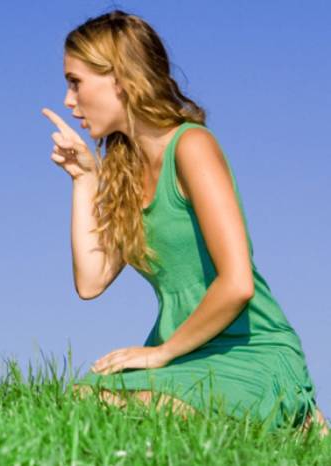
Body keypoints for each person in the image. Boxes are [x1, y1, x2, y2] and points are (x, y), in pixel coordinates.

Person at [42, 9, 328, 435]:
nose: (69, 100)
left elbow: (238, 283)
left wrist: (162, 352)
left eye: (75, 82)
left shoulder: (191, 146)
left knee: (145, 410)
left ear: (120, 78)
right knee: (83, 398)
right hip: (182, 356)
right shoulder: (124, 170)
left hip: (250, 349)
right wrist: (84, 179)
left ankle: (294, 416)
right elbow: (91, 281)